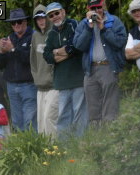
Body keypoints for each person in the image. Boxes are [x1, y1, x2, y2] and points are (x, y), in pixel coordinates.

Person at [73, 0, 127, 127]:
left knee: (110, 108)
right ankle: (96, 136)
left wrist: (104, 29)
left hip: (108, 67)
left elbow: (120, 42)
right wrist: (89, 27)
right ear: (88, 9)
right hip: (90, 70)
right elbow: (79, 46)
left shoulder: (114, 21)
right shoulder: (84, 24)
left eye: (99, 7)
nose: (97, 11)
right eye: (93, 8)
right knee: (93, 110)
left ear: (102, 6)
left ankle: (110, 134)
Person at [43, 2, 88, 139]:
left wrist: (57, 51)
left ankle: (81, 144)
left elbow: (75, 47)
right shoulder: (51, 33)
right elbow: (47, 56)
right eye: (51, 15)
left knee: (79, 114)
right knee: (63, 116)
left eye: (56, 13)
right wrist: (63, 53)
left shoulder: (74, 24)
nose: (55, 17)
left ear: (63, 12)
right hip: (61, 82)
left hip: (77, 79)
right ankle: (64, 146)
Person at [0, 8, 38, 131]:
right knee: (17, 122)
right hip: (12, 86)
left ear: (25, 21)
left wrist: (12, 49)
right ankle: (21, 144)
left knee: (30, 120)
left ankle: (33, 143)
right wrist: (2, 52)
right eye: (13, 23)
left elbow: (30, 59)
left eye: (19, 21)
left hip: (29, 84)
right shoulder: (9, 38)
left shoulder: (34, 36)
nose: (16, 25)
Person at [31, 4, 60, 136]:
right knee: (41, 121)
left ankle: (55, 147)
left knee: (49, 118)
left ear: (48, 17)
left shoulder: (55, 33)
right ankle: (44, 148)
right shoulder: (35, 36)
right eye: (38, 19)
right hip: (40, 86)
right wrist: (37, 78)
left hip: (54, 85)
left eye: (43, 17)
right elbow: (33, 60)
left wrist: (52, 77)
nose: (41, 21)